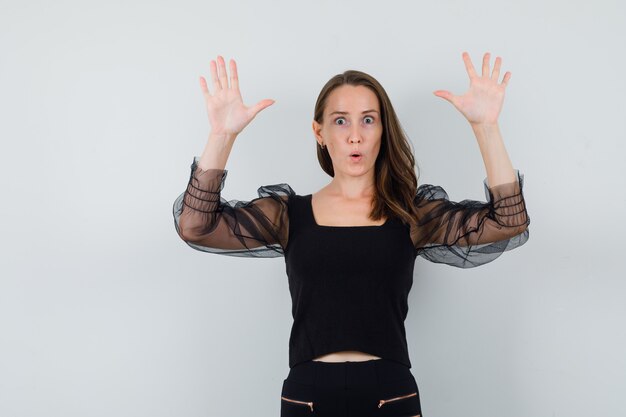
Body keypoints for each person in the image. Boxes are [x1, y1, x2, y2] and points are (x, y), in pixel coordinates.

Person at [172, 52, 529, 417]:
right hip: (307, 395)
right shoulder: (287, 214)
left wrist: (486, 128)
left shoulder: (412, 214)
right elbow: (195, 226)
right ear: (320, 132)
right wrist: (222, 135)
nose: (355, 136)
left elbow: (508, 221)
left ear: (382, 130)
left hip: (389, 394)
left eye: (368, 120)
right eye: (341, 121)